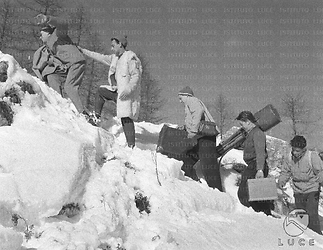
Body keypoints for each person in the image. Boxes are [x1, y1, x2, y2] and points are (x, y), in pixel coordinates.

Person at [78, 35, 142, 148]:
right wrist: (83, 50)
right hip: (117, 91)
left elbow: (136, 76)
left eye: (113, 46)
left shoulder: (131, 57)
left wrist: (129, 89)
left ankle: (131, 146)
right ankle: (96, 117)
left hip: (128, 93)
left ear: (120, 44)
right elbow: (99, 57)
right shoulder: (114, 58)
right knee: (101, 91)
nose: (111, 48)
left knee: (126, 116)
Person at [169, 86, 223, 191]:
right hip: (199, 137)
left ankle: (218, 191)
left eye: (181, 98)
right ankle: (195, 186)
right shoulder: (189, 104)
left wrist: (192, 131)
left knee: (208, 165)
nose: (180, 101)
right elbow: (192, 119)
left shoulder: (192, 100)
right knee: (186, 161)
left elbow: (198, 112)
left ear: (186, 95)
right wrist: (185, 128)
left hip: (205, 137)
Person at [33, 14, 87, 114]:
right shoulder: (50, 45)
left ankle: (83, 112)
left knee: (69, 87)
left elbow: (63, 23)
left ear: (48, 32)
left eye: (41, 34)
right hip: (69, 66)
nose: (40, 37)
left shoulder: (58, 35)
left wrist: (48, 19)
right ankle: (58, 102)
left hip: (76, 62)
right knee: (52, 76)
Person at [278, 135, 323, 235]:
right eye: (294, 150)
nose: (295, 153)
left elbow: (320, 172)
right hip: (297, 189)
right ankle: (305, 235)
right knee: (302, 214)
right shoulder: (289, 157)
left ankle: (317, 235)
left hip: (312, 189)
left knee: (311, 213)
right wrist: (281, 182)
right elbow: (285, 172)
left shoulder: (312, 156)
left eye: (298, 151)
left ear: (303, 150)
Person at [236, 110, 273, 215]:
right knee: (257, 194)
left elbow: (260, 152)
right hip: (254, 165)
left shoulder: (257, 133)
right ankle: (263, 214)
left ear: (248, 121)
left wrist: (260, 169)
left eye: (242, 123)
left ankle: (258, 215)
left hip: (256, 165)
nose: (241, 126)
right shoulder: (251, 133)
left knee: (244, 193)